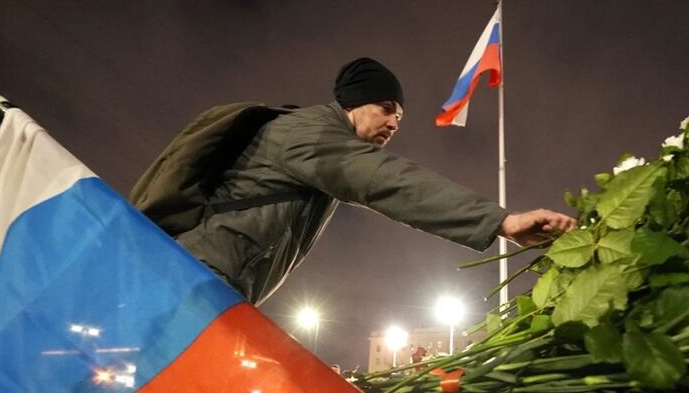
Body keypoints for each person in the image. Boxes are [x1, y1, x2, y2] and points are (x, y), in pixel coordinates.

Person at [131, 57, 576, 304]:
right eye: (386, 108)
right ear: (354, 102)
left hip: (209, 286)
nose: (395, 122)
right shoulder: (308, 134)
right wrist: (501, 221)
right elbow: (388, 182)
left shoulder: (315, 139)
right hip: (195, 285)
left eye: (400, 117)